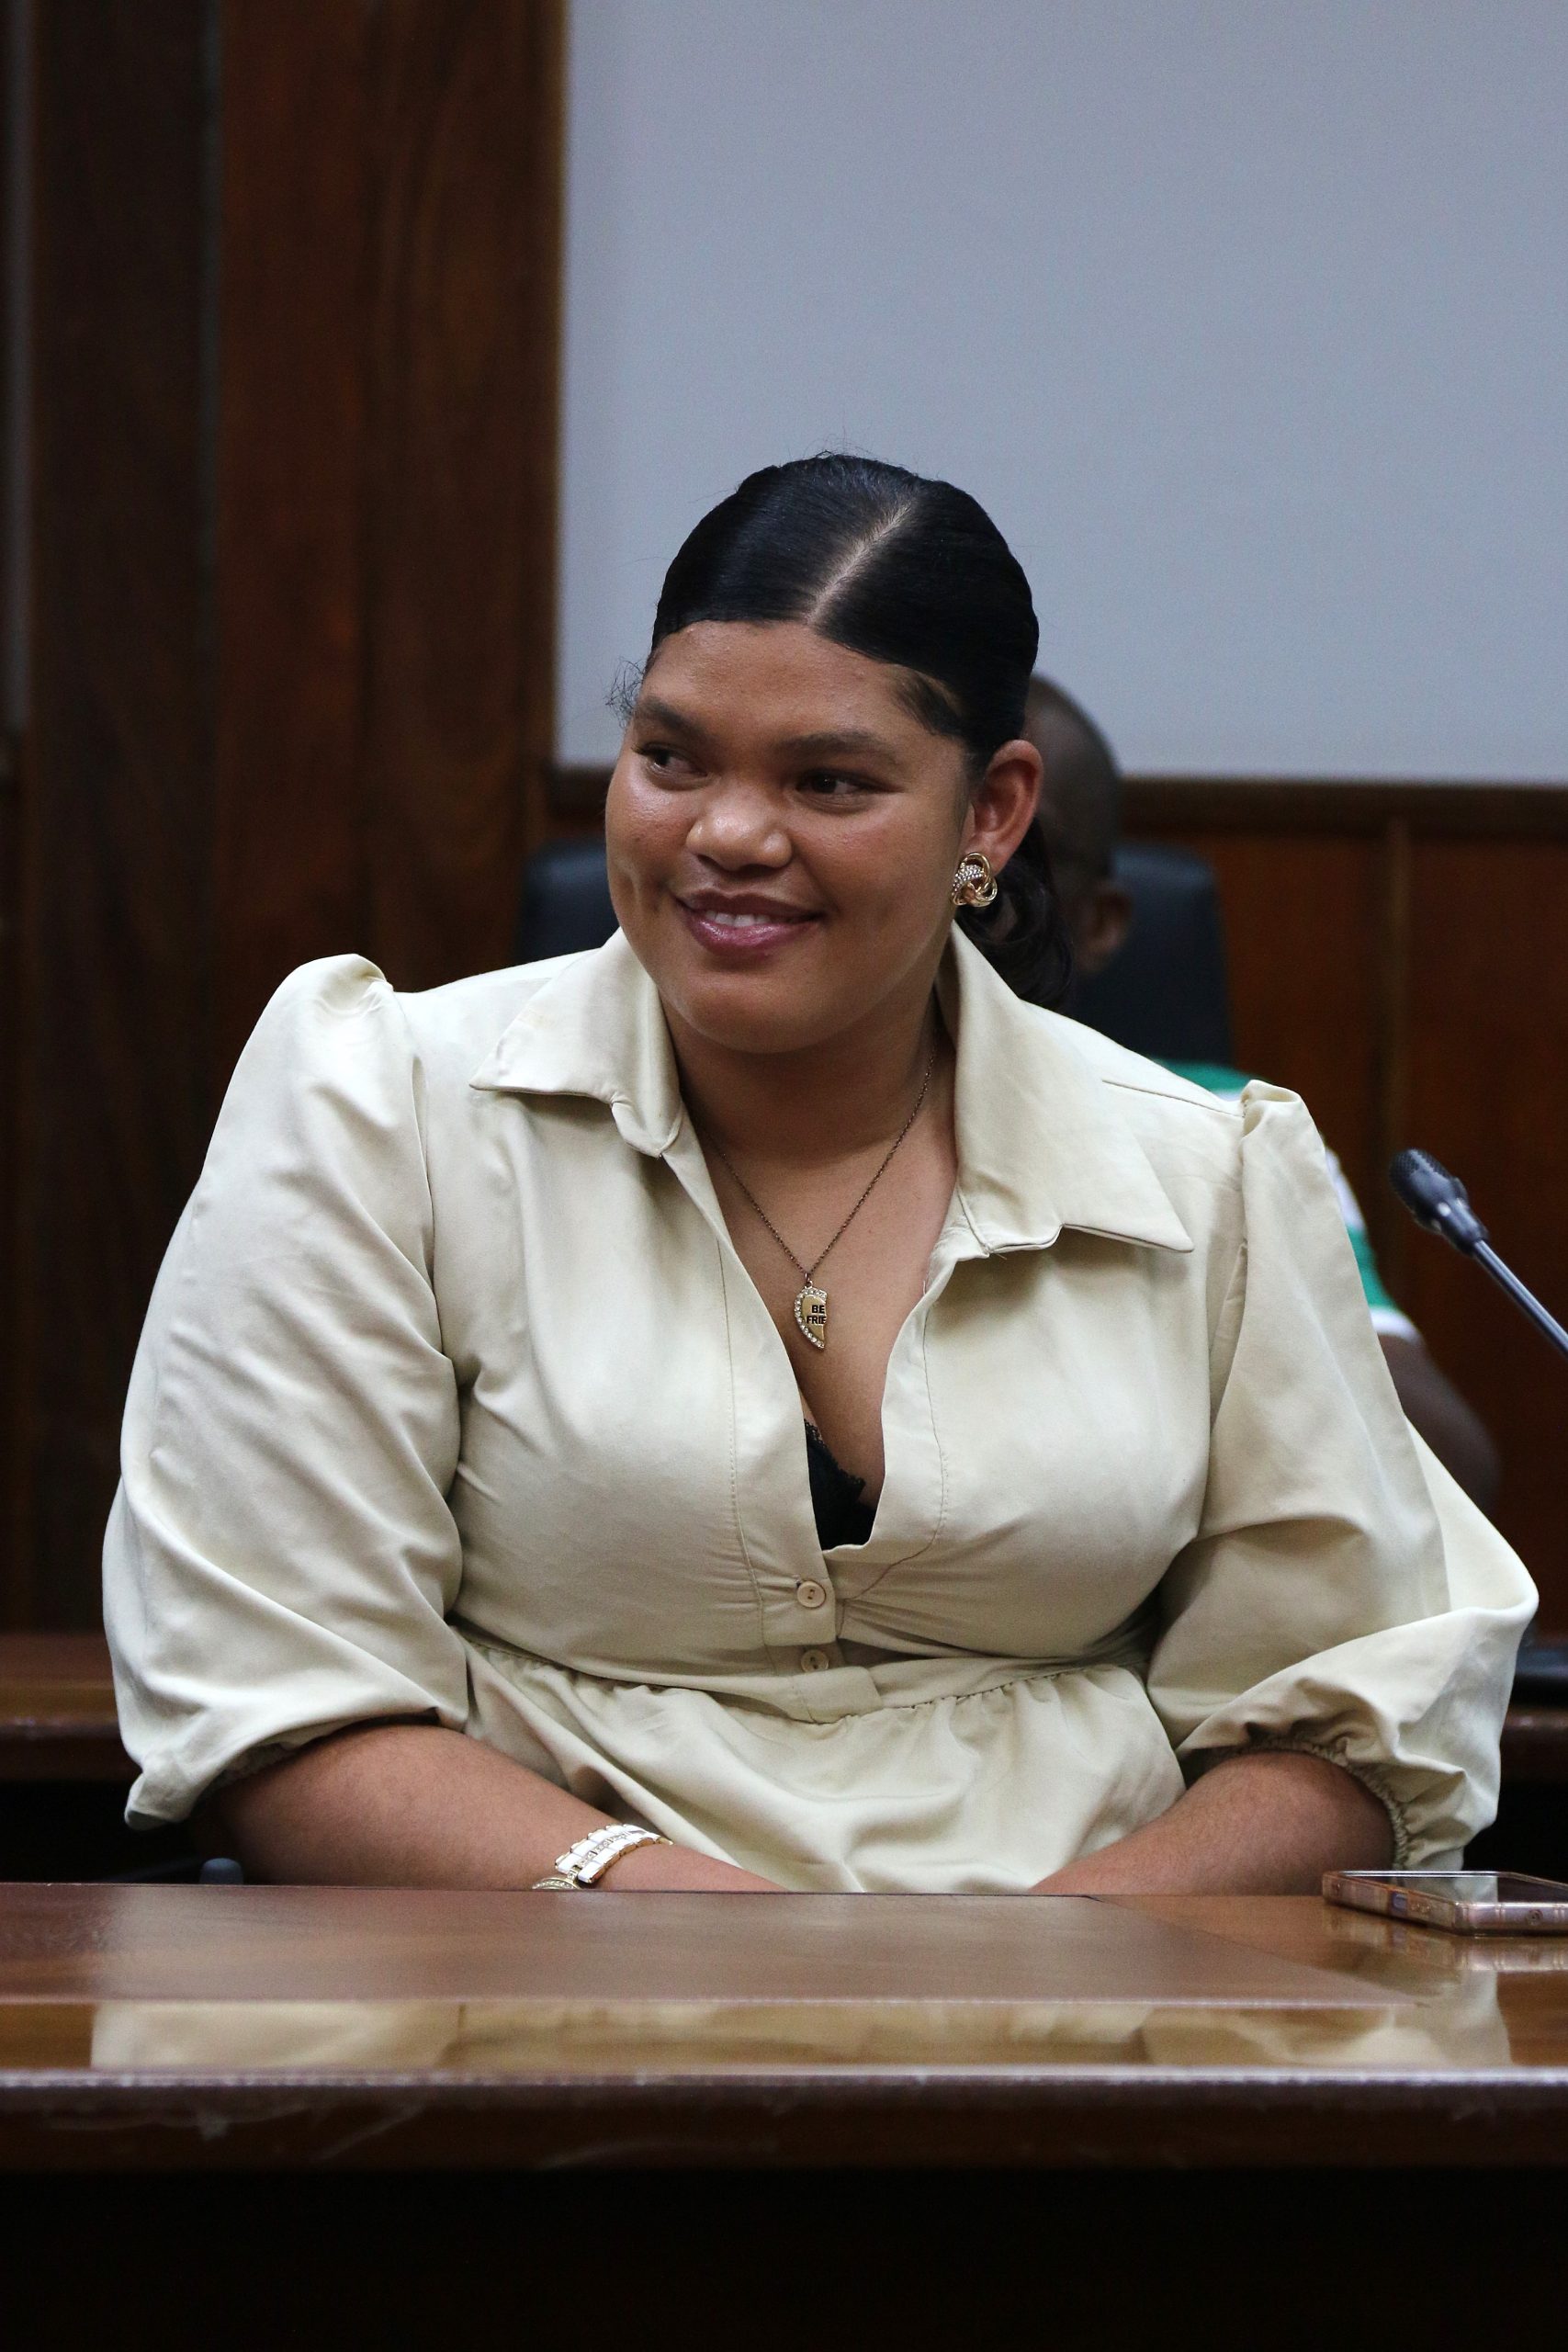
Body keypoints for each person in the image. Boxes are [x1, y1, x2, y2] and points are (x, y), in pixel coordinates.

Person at [104, 455, 1531, 1898]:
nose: (726, 834)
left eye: (827, 781)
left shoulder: (1201, 1174)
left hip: (1108, 1991)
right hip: (528, 1972)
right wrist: (763, 1963)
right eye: (671, 759)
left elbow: (1350, 1715)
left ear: (991, 814)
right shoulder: (379, 1107)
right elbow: (280, 1693)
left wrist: (1033, 1976)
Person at [1025, 675, 1501, 1510]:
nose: (972, 877)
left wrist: (1223, 1289)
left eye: (1024, 849)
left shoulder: (1234, 1131)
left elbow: (1451, 1472)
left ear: (1100, 921)